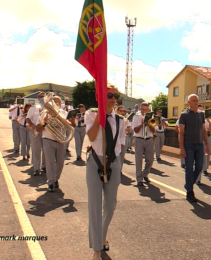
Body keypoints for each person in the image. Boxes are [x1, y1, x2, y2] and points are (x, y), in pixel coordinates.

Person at [85, 84, 125, 260]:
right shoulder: (90, 113)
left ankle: (101, 236)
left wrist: (116, 163)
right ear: (101, 96)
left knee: (109, 205)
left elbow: (120, 144)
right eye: (109, 95)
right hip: (95, 162)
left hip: (113, 162)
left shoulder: (121, 120)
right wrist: (99, 116)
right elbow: (92, 137)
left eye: (115, 95)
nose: (113, 98)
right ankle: (97, 248)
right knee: (94, 206)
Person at [179, 95, 209, 202]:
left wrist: (207, 145)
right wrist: (182, 148)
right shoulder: (184, 115)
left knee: (199, 167)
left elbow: (204, 131)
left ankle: (188, 184)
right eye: (194, 101)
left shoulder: (201, 115)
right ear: (189, 102)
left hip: (199, 145)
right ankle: (190, 192)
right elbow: (181, 133)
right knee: (189, 168)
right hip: (188, 145)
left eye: (197, 100)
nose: (196, 102)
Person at [36, 96, 70, 192]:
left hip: (60, 140)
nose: (56, 104)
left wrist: (69, 120)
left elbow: (70, 125)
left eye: (58, 102)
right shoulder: (44, 114)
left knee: (60, 163)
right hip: (48, 140)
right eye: (54, 102)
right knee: (50, 162)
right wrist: (45, 123)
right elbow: (38, 129)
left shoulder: (64, 113)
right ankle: (51, 182)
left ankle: (55, 179)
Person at [132, 102, 156, 186]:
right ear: (140, 109)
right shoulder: (136, 117)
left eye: (146, 110)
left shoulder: (152, 117)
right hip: (139, 139)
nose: (144, 111)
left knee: (150, 159)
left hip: (149, 139)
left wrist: (149, 124)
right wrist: (142, 123)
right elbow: (135, 130)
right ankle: (139, 179)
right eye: (143, 109)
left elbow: (154, 131)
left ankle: (145, 174)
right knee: (138, 160)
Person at [26, 92, 46, 176]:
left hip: (45, 131)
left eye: (44, 97)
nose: (43, 98)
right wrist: (32, 125)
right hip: (35, 131)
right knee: (36, 150)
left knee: (45, 150)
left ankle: (44, 166)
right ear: (38, 98)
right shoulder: (33, 108)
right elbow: (28, 118)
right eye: (41, 97)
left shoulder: (48, 108)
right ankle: (36, 168)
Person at [196, 114, 211, 185]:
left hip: (208, 136)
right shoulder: (198, 121)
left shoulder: (208, 121)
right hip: (200, 137)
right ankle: (198, 176)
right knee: (200, 155)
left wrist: (210, 123)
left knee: (208, 153)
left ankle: (205, 168)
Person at [116, 105, 131, 173]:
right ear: (117, 111)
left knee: (122, 155)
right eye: (121, 111)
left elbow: (128, 129)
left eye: (123, 111)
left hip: (123, 138)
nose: (122, 112)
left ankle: (119, 170)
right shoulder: (113, 118)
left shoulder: (126, 119)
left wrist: (122, 129)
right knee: (116, 155)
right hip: (115, 138)